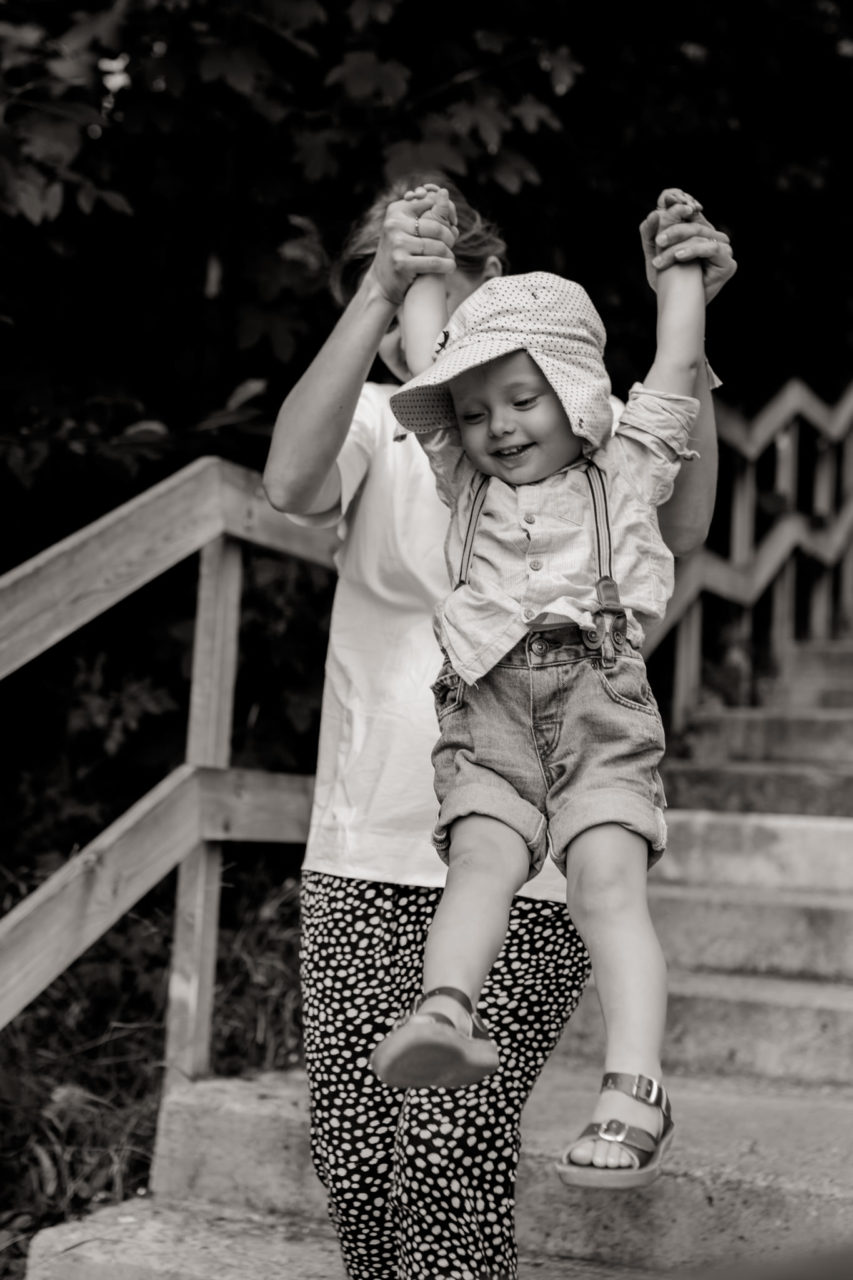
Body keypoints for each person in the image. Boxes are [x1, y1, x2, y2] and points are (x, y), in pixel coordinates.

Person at [263, 176, 735, 1277]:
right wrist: (388, 285)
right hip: (367, 834)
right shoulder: (396, 425)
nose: (488, 412)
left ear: (499, 276)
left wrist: (689, 304)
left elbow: (685, 514)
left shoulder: (575, 424)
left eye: (444, 270)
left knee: (445, 1144)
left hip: (536, 841)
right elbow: (289, 477)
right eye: (396, 283)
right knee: (351, 1148)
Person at [370, 184, 706, 1192]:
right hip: (487, 708)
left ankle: (634, 1084)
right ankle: (444, 1012)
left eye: (522, 399)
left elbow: (677, 364)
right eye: (475, 413)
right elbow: (434, 358)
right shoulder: (464, 481)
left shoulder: (626, 466)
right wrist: (425, 259)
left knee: (604, 884)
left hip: (597, 705)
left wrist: (677, 275)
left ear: (575, 393)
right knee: (477, 858)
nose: (497, 426)